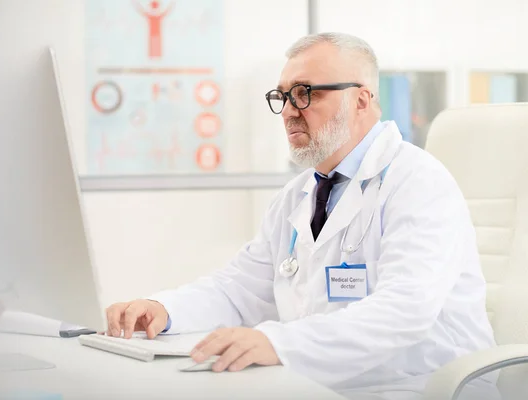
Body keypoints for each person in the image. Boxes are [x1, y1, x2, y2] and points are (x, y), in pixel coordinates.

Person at [105, 32, 497, 399]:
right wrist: (164, 310)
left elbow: (404, 310)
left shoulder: (417, 181)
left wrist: (278, 343)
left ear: (361, 100)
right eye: (283, 96)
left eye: (305, 93)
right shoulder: (298, 196)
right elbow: (238, 289)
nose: (290, 110)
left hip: (420, 386)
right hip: (329, 385)